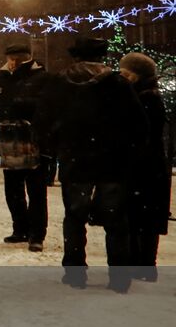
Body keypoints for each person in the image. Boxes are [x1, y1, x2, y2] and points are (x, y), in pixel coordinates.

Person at [36, 37, 147, 291]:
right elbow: (138, 123)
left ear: (75, 57)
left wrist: (56, 146)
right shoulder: (117, 84)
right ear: (101, 57)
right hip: (111, 161)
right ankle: (119, 277)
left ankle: (75, 273)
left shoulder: (59, 83)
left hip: (75, 160)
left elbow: (43, 119)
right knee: (116, 220)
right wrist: (127, 150)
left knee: (75, 217)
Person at [0, 42, 50, 249]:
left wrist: (22, 110)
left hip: (34, 141)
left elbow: (45, 107)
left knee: (36, 190)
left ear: (21, 59)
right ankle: (20, 229)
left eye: (13, 59)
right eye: (9, 59)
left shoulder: (41, 78)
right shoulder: (1, 78)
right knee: (13, 189)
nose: (10, 63)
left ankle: (36, 235)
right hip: (8, 139)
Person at [119, 52, 169, 280]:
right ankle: (143, 263)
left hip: (144, 167)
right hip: (148, 166)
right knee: (142, 216)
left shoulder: (145, 99)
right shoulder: (145, 96)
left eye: (125, 73)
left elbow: (138, 133)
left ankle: (143, 263)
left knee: (141, 216)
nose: (121, 77)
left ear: (136, 76)